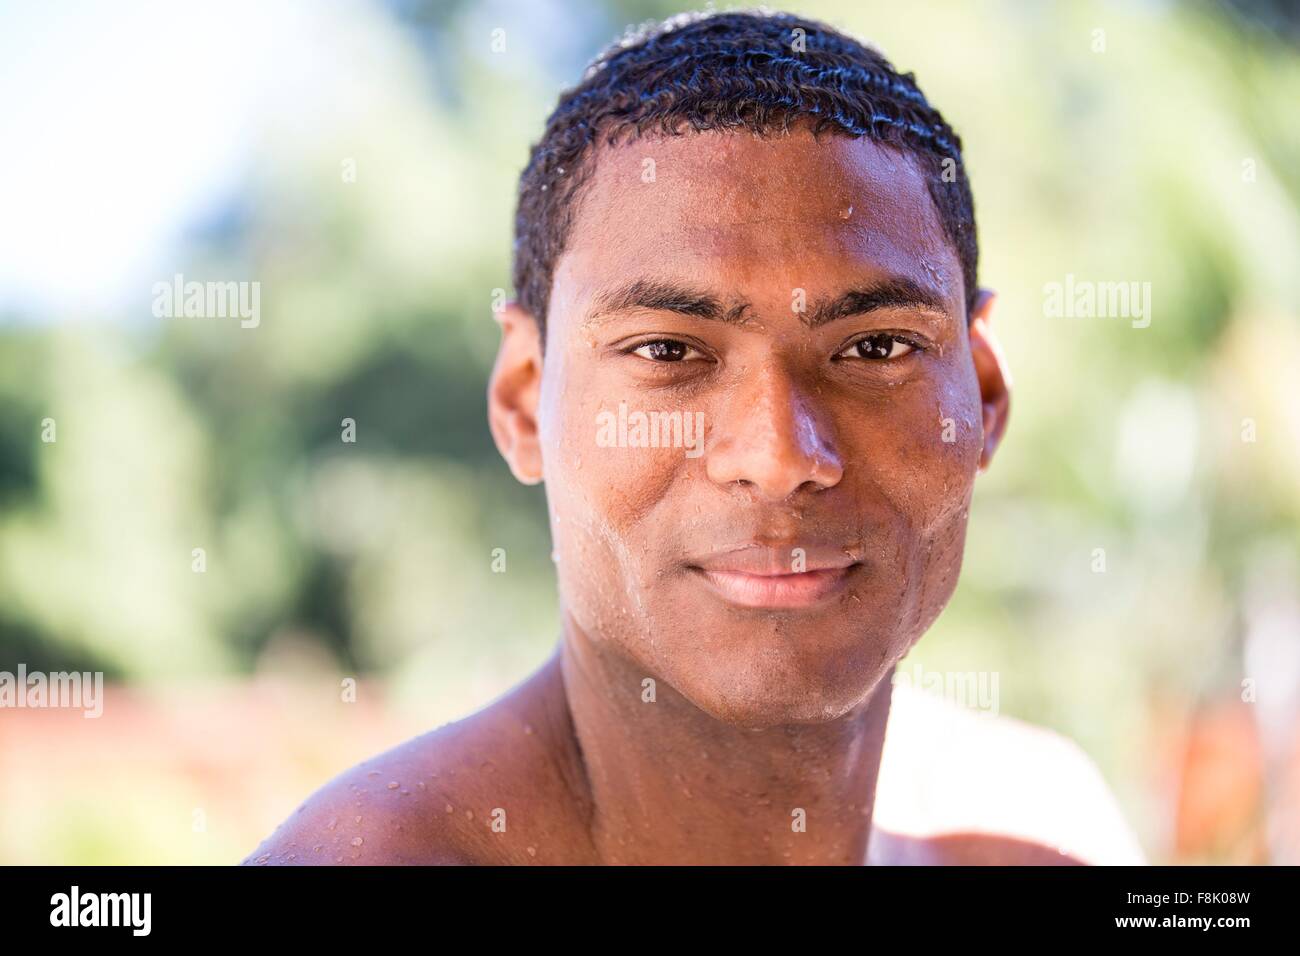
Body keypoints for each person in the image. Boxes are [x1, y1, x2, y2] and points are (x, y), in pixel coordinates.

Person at [246, 9, 1144, 865]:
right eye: (668, 350)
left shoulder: (1043, 826)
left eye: (875, 347)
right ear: (525, 402)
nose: (782, 455)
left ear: (983, 395)